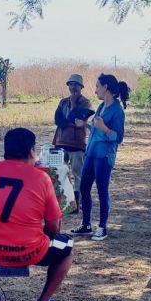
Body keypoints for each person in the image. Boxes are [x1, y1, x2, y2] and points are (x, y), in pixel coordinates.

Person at [0, 128, 73, 301]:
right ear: (31, 152)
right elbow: (54, 227)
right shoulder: (41, 177)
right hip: (25, 251)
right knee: (67, 247)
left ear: (6, 151)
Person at [69, 74, 129, 241]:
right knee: (84, 188)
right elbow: (97, 129)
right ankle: (86, 224)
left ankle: (102, 227)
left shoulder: (117, 110)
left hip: (104, 156)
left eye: (97, 86)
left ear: (106, 87)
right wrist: (86, 125)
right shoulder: (101, 106)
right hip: (91, 153)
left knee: (102, 191)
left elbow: (118, 137)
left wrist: (104, 128)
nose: (95, 90)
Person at [53, 74, 92, 213]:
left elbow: (77, 118)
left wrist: (74, 103)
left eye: (76, 84)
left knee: (77, 174)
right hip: (61, 141)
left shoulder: (86, 103)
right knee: (59, 172)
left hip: (77, 144)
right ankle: (62, 201)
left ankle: (76, 203)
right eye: (70, 84)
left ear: (81, 87)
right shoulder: (63, 101)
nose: (73, 87)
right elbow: (57, 119)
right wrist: (70, 123)